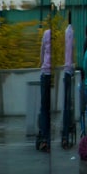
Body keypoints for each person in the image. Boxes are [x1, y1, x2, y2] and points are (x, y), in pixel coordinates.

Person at [61, 13, 75, 149]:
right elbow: (72, 52)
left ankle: (65, 134)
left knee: (66, 104)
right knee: (68, 104)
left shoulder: (65, 33)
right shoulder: (71, 33)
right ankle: (66, 133)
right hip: (69, 71)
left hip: (66, 70)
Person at [38, 24, 52, 152]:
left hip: (45, 72)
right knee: (48, 109)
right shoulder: (60, 35)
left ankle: (44, 139)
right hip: (54, 73)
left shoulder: (46, 33)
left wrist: (41, 64)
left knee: (44, 108)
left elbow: (42, 51)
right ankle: (47, 139)